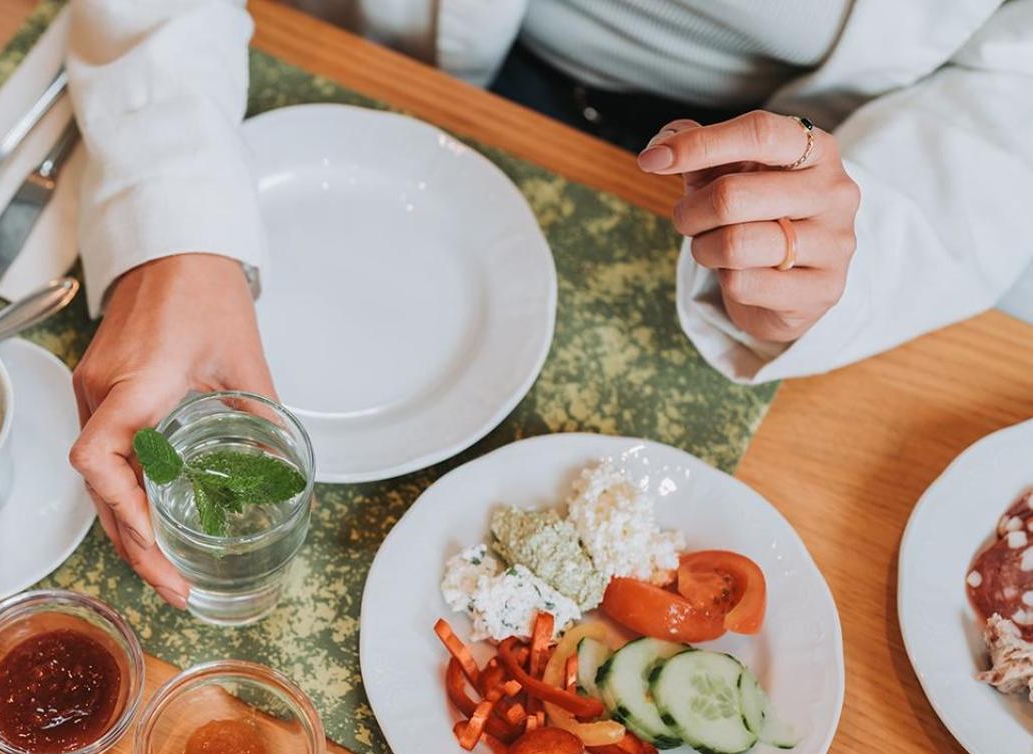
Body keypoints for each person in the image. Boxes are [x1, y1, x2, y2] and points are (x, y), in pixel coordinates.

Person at [64, 0, 1033, 606]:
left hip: (798, 146)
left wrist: (830, 257)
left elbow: (1008, 103)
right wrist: (169, 222)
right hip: (373, 47)